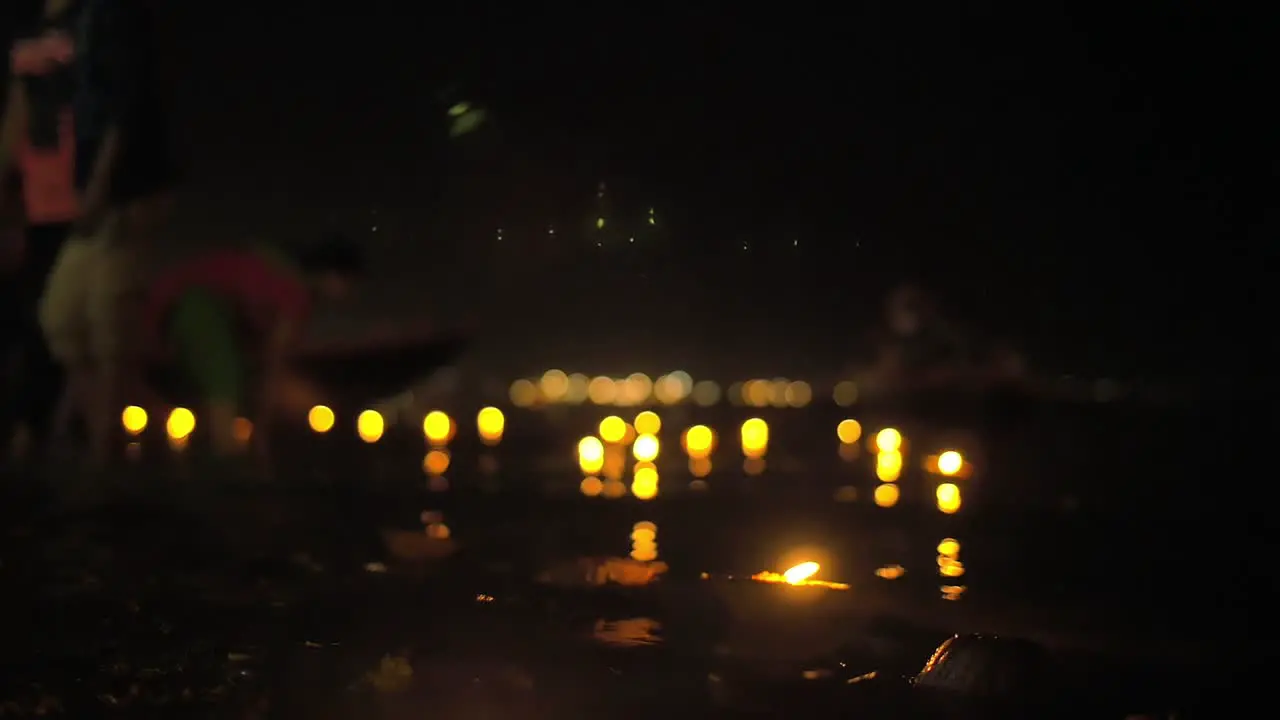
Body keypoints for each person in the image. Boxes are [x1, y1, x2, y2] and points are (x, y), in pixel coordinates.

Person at [35, 0, 175, 468]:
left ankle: (105, 451)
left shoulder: (116, 15)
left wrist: (99, 184)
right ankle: (107, 437)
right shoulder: (78, 24)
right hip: (95, 194)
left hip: (128, 189)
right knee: (62, 316)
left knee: (108, 319)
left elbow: (126, 105)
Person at [143, 236, 365, 460]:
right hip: (196, 307)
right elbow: (273, 359)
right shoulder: (293, 292)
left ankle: (215, 449)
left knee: (227, 380)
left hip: (182, 309)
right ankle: (226, 456)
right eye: (348, 284)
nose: (346, 294)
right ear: (332, 274)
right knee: (224, 376)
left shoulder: (276, 272)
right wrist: (262, 428)